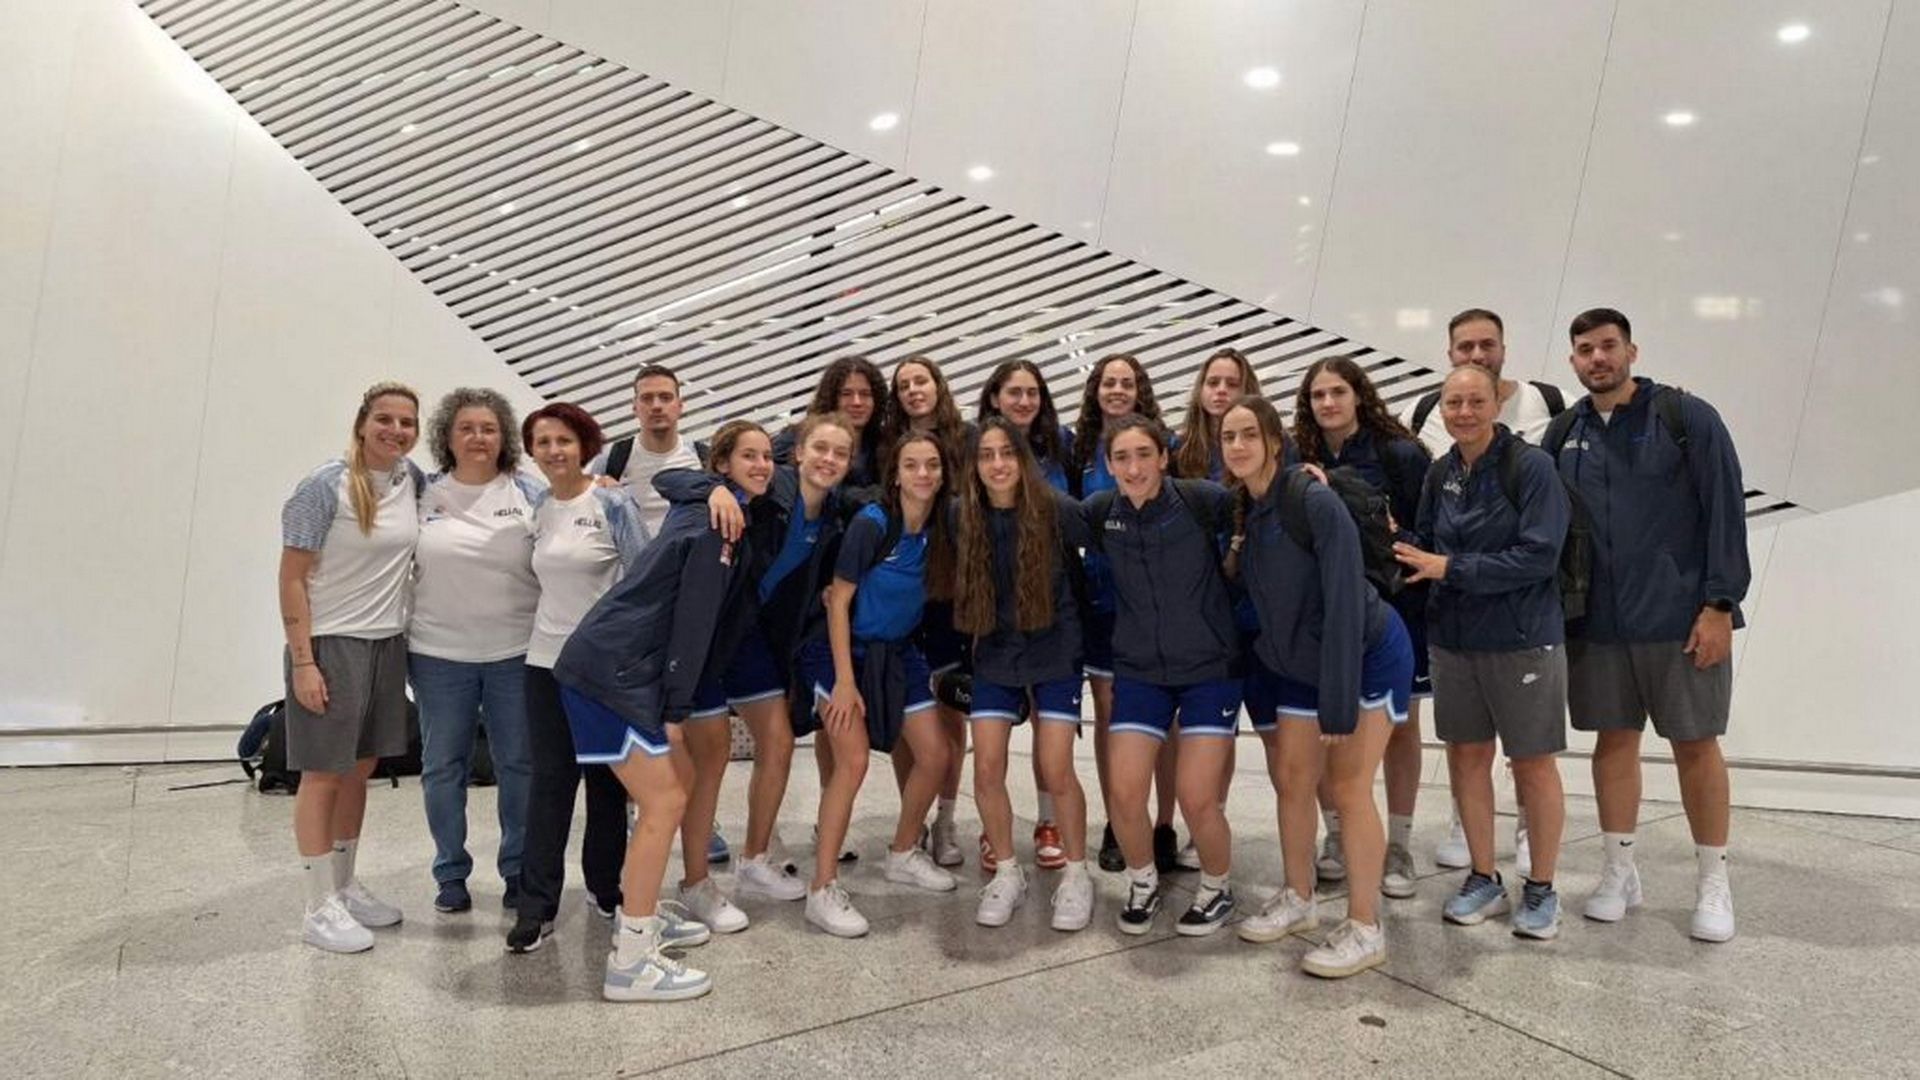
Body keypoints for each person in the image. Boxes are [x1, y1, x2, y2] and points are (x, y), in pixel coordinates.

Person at [551, 419, 773, 1001]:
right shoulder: (714, 525)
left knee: (674, 787)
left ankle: (640, 912)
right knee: (666, 799)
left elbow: (675, 482)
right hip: (609, 672)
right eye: (747, 456)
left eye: (766, 456)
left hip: (612, 665)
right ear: (720, 466)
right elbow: (692, 626)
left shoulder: (716, 511)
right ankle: (630, 962)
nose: (761, 465)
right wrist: (676, 710)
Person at [1553, 308, 1749, 943]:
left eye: (1608, 346)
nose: (1598, 358)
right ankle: (1618, 872)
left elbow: (1726, 511)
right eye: (1585, 349)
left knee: (1696, 744)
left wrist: (1720, 605)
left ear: (1631, 351)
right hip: (1598, 624)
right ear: (1573, 361)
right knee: (1613, 743)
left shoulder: (1686, 419)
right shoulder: (1563, 432)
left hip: (1680, 619)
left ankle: (1713, 881)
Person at [1219, 396, 1413, 979]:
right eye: (1228, 437)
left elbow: (1345, 599)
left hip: (1364, 656)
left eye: (1248, 434)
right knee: (1292, 778)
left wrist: (1338, 699)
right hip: (1302, 661)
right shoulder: (1249, 509)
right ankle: (1299, 897)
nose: (1237, 446)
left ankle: (1365, 927)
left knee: (1349, 785)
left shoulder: (1312, 499)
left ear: (1274, 440)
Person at [1393, 365, 1571, 940]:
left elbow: (1539, 556)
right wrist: (1384, 531)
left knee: (1532, 764)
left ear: (1496, 403)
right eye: (1453, 403)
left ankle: (1541, 888)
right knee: (1467, 759)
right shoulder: (1441, 471)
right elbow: (1425, 544)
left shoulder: (1532, 468)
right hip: (1453, 641)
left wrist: (1451, 568)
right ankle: (1483, 876)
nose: (1463, 412)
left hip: (1522, 640)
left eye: (1475, 401)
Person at [659, 413, 862, 911]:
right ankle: (695, 882)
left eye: (840, 453)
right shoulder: (769, 489)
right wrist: (713, 488)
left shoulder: (835, 516)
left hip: (753, 639)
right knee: (712, 757)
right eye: (820, 449)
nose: (829, 460)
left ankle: (753, 860)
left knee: (779, 742)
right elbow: (671, 478)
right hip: (707, 637)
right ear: (799, 452)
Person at [277, 382, 424, 953]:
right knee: (322, 773)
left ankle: (343, 885)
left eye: (406, 422)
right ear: (362, 423)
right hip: (331, 644)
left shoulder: (411, 480)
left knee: (360, 769)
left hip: (386, 643)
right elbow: (291, 577)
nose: (395, 430)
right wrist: (304, 662)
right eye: (384, 419)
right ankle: (317, 907)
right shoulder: (323, 486)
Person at [1082, 415, 1241, 938]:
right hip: (1139, 672)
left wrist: (1307, 480)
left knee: (1197, 796)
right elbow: (1041, 516)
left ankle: (1217, 887)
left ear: (1164, 457)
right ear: (1109, 466)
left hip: (1209, 670)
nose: (1134, 468)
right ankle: (1142, 880)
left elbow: (1260, 500)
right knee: (1125, 793)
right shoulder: (1101, 512)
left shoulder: (1200, 500)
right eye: (1122, 458)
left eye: (1144, 454)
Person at [797, 431, 957, 936]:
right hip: (840, 652)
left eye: (932, 465)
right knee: (853, 761)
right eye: (912, 465)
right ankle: (821, 889)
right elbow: (838, 601)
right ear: (896, 474)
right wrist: (845, 681)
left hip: (897, 653)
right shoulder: (873, 523)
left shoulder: (939, 527)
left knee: (935, 754)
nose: (923, 474)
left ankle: (903, 851)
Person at [507, 403, 650, 954]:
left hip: (600, 669)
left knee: (608, 785)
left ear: (584, 444)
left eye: (563, 440)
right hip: (544, 664)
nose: (553, 451)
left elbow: (643, 580)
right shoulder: (538, 506)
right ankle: (536, 907)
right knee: (550, 785)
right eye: (542, 442)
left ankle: (605, 887)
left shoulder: (612, 502)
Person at [1291, 358, 1433, 898]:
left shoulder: (1399, 453)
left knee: (1401, 727)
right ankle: (1337, 834)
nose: (1328, 403)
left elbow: (1428, 531)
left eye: (1338, 392)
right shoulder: (1300, 458)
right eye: (1318, 395)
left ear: (1359, 395)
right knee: (1331, 724)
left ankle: (1399, 844)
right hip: (1327, 614)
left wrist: (1390, 533)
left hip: (1395, 608)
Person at [952, 418, 1095, 929]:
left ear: (1023, 458)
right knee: (987, 766)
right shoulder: (962, 514)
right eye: (986, 455)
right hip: (996, 650)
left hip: (1055, 647)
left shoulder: (1055, 508)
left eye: (1007, 453)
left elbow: (1109, 529)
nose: (998, 464)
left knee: (1056, 766)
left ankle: (1077, 873)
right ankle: (1008, 872)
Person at [409, 388, 544, 915]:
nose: (478, 437)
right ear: (446, 436)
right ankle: (450, 872)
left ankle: (517, 869)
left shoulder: (530, 493)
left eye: (488, 428)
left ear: (503, 436)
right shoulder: (421, 494)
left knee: (519, 765)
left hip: (516, 653)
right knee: (443, 766)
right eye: (466, 428)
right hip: (437, 655)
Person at [1067, 355, 1183, 874]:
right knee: (1110, 715)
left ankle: (1164, 824)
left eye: (1126, 382)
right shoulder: (1078, 450)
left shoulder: (1165, 443)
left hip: (1159, 603)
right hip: (1104, 601)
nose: (1117, 389)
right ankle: (1119, 819)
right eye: (1108, 382)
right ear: (1095, 390)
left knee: (1166, 718)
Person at [974, 358, 1075, 870]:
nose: (1023, 401)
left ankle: (1049, 821)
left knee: (1053, 750)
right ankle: (993, 835)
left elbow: (1096, 523)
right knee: (986, 758)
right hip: (994, 634)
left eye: (1032, 392)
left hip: (1051, 627)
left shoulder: (1061, 457)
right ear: (994, 397)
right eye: (1013, 391)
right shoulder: (967, 491)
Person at [879, 356, 973, 869]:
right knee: (906, 716)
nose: (914, 390)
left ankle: (947, 819)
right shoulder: (887, 443)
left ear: (939, 384)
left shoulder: (967, 438)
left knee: (950, 710)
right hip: (903, 590)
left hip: (950, 592)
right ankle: (910, 818)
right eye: (904, 385)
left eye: (922, 380)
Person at [592, 364, 702, 537]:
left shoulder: (703, 458)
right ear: (635, 407)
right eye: (647, 398)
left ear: (680, 406)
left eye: (665, 397)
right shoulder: (611, 460)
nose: (656, 406)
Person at [773, 355, 885, 489]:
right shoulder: (798, 437)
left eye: (865, 394)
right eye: (846, 394)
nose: (857, 402)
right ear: (831, 398)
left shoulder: (884, 446)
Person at [1172, 347, 1262, 481]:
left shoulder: (1272, 442)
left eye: (1232, 384)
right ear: (1201, 389)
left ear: (1248, 392)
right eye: (1213, 383)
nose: (1221, 390)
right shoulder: (1179, 448)